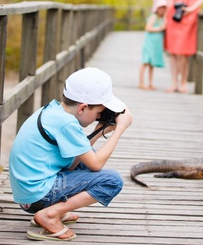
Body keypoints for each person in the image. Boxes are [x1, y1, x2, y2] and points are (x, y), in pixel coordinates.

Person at [9, 67, 133, 241]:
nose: (99, 116)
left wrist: (98, 132)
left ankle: (53, 209)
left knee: (87, 155)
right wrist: (120, 129)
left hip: (28, 195)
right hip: (38, 194)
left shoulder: (53, 111)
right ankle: (51, 213)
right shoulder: (67, 124)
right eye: (98, 113)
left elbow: (75, 161)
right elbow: (96, 164)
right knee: (112, 181)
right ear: (82, 108)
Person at [139, 0, 167, 90]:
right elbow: (148, 28)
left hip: (156, 45)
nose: (162, 10)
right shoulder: (153, 17)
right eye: (160, 8)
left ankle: (150, 83)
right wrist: (159, 29)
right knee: (145, 62)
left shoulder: (162, 18)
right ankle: (141, 83)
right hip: (150, 43)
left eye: (164, 8)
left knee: (152, 64)